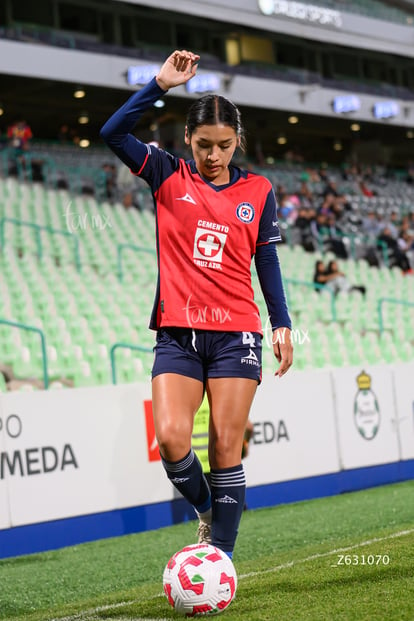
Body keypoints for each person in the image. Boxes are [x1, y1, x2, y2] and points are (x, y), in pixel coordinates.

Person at [100, 49, 293, 560]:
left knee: (226, 447)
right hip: (178, 333)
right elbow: (112, 133)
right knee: (171, 440)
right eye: (204, 145)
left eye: (224, 146)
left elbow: (267, 262)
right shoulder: (166, 174)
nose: (214, 155)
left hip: (236, 334)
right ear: (187, 140)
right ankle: (209, 512)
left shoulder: (259, 189)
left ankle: (221, 560)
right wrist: (158, 85)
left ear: (238, 142)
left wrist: (282, 324)